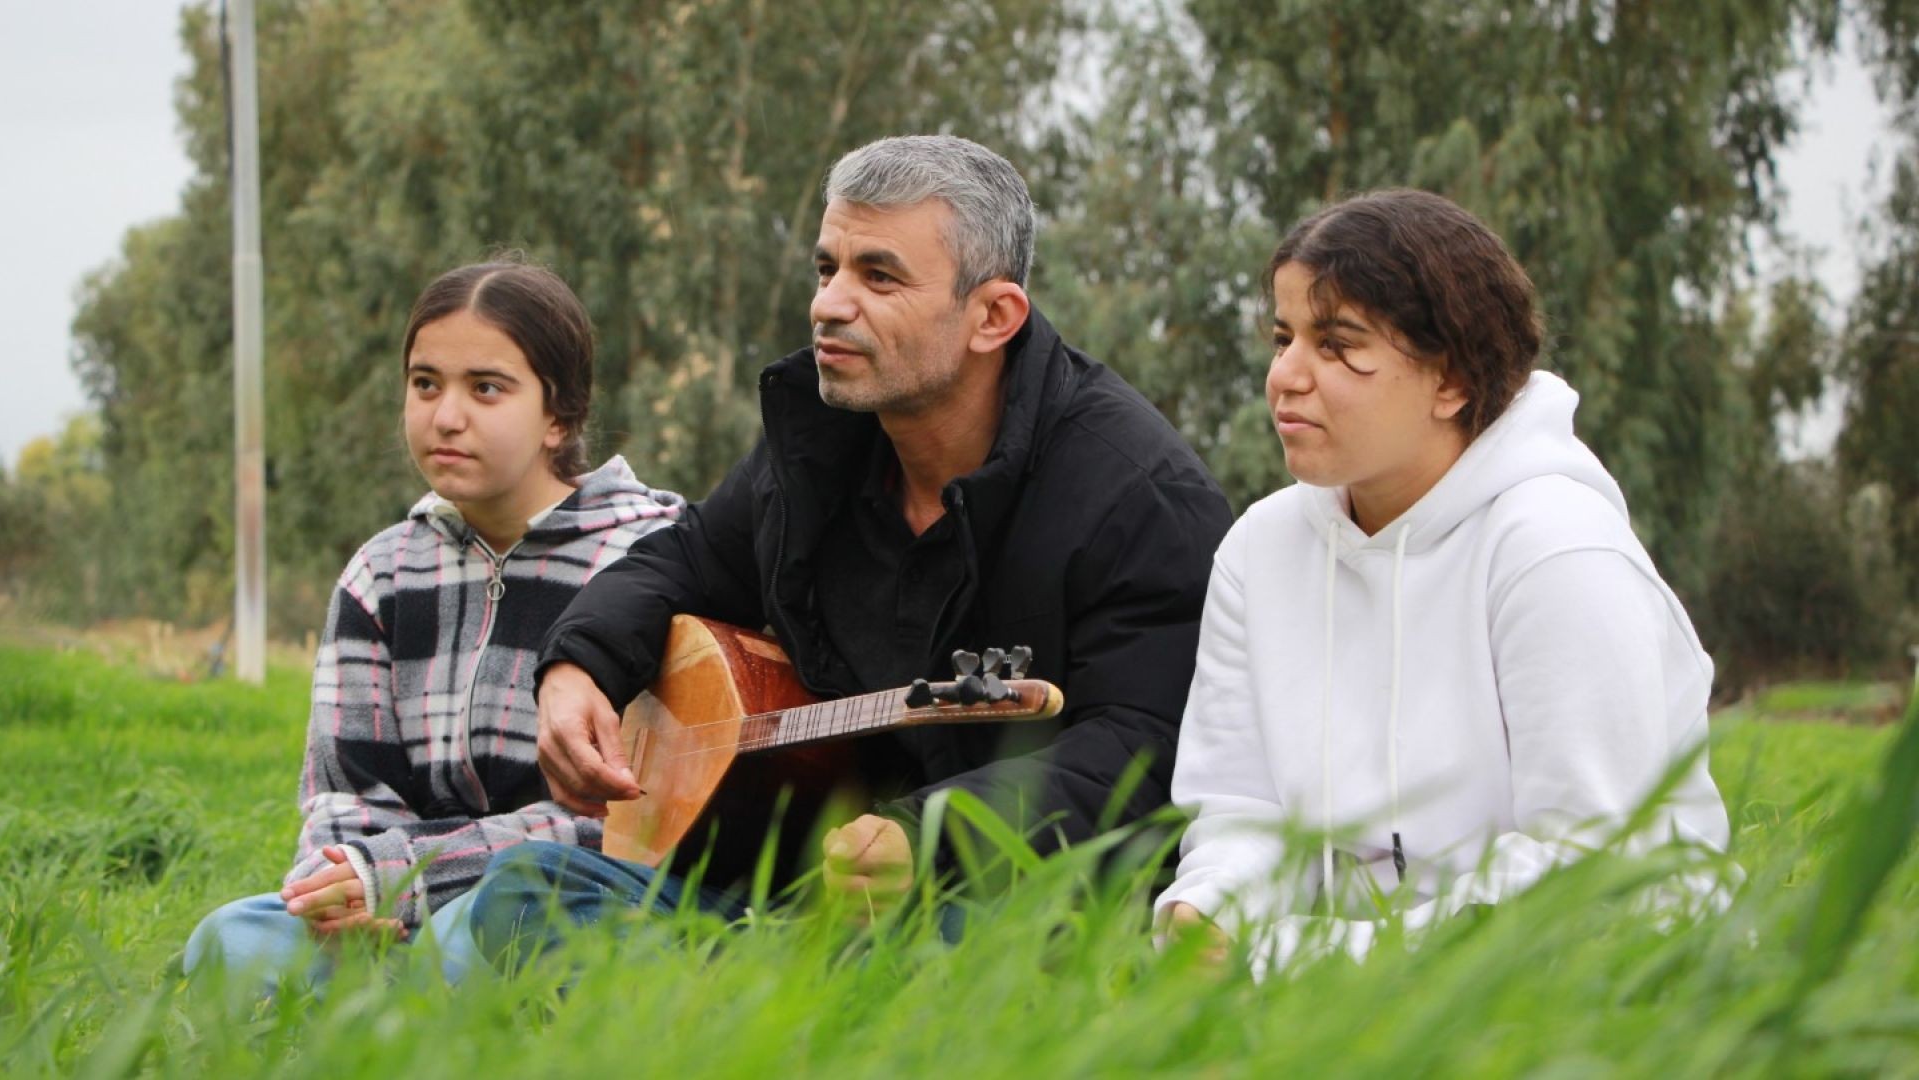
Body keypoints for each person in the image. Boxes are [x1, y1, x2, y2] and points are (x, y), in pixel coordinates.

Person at [467, 134, 1235, 964]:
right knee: (525, 891)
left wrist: (926, 836)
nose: (829, 304)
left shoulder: (1138, 492)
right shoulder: (824, 442)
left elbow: (1141, 749)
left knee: (950, 954)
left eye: (879, 276)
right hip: (806, 890)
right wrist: (580, 666)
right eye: (826, 268)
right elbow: (683, 558)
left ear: (994, 316)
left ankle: (732, 1005)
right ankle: (769, 997)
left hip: (996, 899)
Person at [1154, 189, 1730, 976]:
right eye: (1285, 337)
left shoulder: (1556, 550)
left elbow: (1596, 877)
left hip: (1600, 1000)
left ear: (1451, 380)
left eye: (1338, 345)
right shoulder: (1260, 550)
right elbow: (1241, 810)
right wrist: (1207, 913)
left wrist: (1298, 957)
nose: (1284, 376)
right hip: (1332, 1004)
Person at [184, 259, 685, 994]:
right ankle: (386, 994)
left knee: (467, 938)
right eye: (426, 384)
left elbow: (629, 815)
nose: (446, 416)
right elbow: (344, 793)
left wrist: (402, 876)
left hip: (566, 897)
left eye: (486, 388)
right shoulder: (382, 573)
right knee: (226, 942)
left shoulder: (651, 559)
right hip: (398, 903)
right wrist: (339, 891)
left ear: (559, 415)